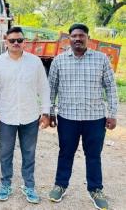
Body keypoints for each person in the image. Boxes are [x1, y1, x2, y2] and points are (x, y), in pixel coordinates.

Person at [48, 23, 118, 210]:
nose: (78, 39)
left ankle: (95, 189)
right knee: (66, 153)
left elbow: (111, 87)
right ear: (69, 38)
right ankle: (60, 185)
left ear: (88, 38)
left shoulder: (101, 59)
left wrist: (112, 114)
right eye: (74, 36)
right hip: (67, 118)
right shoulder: (59, 61)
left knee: (93, 155)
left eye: (81, 36)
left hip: (95, 119)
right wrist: (50, 111)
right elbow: (51, 88)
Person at [0, 26, 51, 204]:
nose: (16, 43)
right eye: (12, 40)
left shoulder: (35, 62)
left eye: (19, 40)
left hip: (30, 116)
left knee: (29, 153)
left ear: (24, 42)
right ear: (5, 41)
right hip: (6, 116)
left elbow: (44, 88)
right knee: (5, 153)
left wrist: (45, 112)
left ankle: (29, 186)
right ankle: (5, 184)